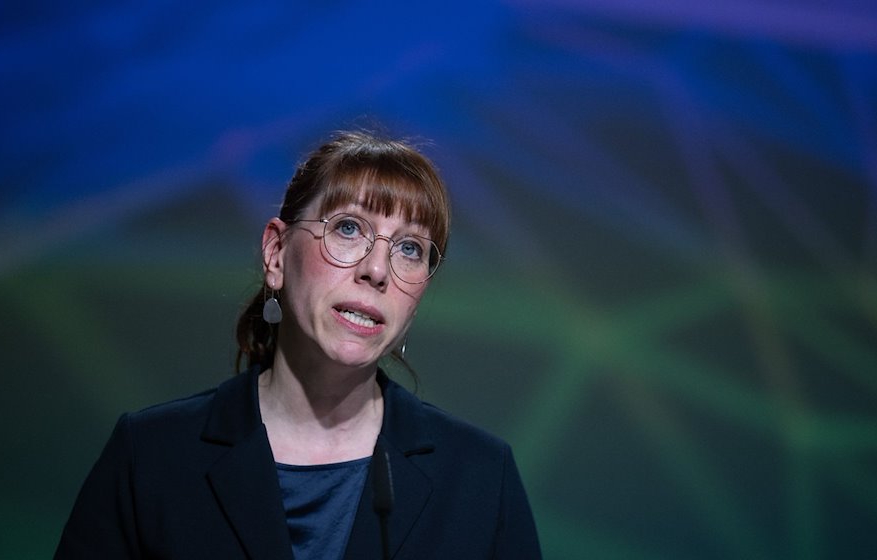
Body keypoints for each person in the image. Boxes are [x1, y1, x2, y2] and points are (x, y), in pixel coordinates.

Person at [55, 130, 542, 559]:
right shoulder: (152, 456)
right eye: (349, 228)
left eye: (409, 248)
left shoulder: (479, 478)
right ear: (276, 253)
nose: (376, 270)